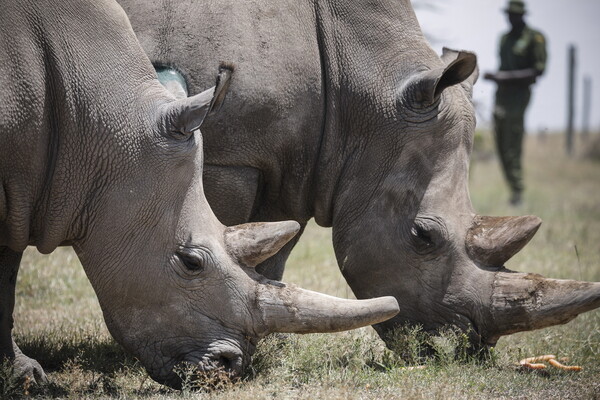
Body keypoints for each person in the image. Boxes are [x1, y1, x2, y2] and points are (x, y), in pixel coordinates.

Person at [484, 0, 547, 206]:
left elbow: (537, 70)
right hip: (500, 96)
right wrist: (498, 79)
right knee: (501, 144)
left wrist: (503, 77)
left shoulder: (534, 38)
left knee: (512, 144)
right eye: (508, 14)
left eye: (514, 14)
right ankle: (513, 189)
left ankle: (517, 191)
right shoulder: (504, 38)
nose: (510, 18)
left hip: (518, 97)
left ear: (522, 15)